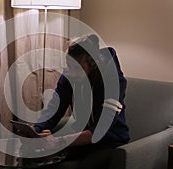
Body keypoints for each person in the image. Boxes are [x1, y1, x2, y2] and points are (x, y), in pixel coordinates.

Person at [30, 34, 130, 169]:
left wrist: (59, 141)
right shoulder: (70, 75)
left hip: (109, 142)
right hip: (81, 137)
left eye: (76, 68)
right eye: (69, 66)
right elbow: (54, 109)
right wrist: (36, 130)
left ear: (93, 64)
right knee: (36, 157)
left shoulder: (113, 82)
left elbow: (100, 131)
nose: (71, 72)